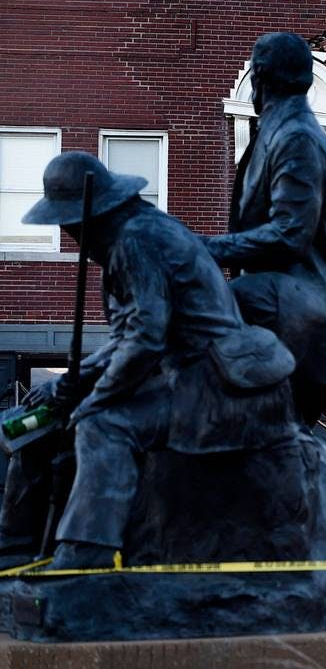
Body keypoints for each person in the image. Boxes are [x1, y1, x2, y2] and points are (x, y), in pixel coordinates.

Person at [7, 152, 297, 570]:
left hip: (214, 381)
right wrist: (68, 381)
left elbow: (146, 339)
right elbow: (128, 336)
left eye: (68, 224)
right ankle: (19, 547)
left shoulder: (135, 241)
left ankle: (85, 557)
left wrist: (96, 397)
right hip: (181, 371)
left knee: (102, 425)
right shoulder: (130, 234)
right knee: (43, 421)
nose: (68, 234)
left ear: (86, 217)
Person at [204, 32, 326, 425]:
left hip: (303, 305)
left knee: (208, 311)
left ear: (260, 78)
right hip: (291, 297)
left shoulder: (296, 139)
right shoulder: (276, 133)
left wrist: (206, 249)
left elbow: (290, 233)